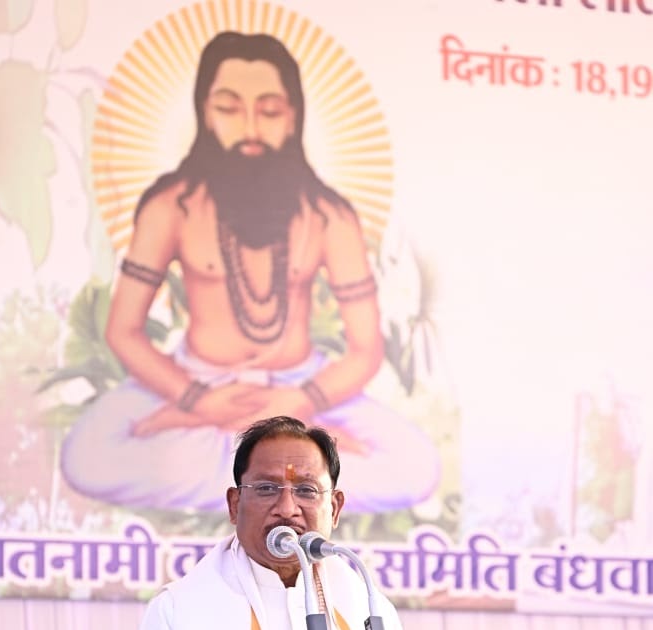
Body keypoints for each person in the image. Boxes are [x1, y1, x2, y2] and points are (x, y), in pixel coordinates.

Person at [61, 31, 439, 512]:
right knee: (85, 458)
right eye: (229, 108)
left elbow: (365, 350)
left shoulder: (329, 216)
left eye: (270, 110)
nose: (250, 128)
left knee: (415, 468)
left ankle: (252, 473)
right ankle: (291, 475)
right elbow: (124, 330)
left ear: (293, 117)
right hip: (197, 378)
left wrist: (300, 403)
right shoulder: (171, 207)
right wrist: (198, 401)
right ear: (205, 113)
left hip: (301, 385)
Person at [139, 416, 404, 630]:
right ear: (235, 505)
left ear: (334, 509)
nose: (287, 509)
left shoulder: (371, 609)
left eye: (306, 490)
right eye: (266, 488)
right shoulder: (177, 610)